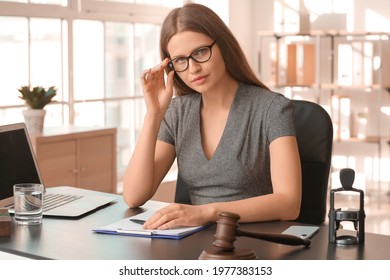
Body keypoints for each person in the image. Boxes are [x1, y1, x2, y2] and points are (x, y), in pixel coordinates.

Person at [123, 3, 301, 230]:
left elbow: (289, 203)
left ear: (223, 46)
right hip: (196, 243)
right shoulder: (177, 112)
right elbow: (133, 196)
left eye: (200, 52)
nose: (193, 69)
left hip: (254, 243)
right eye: (180, 60)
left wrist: (207, 212)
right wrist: (154, 114)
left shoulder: (272, 108)